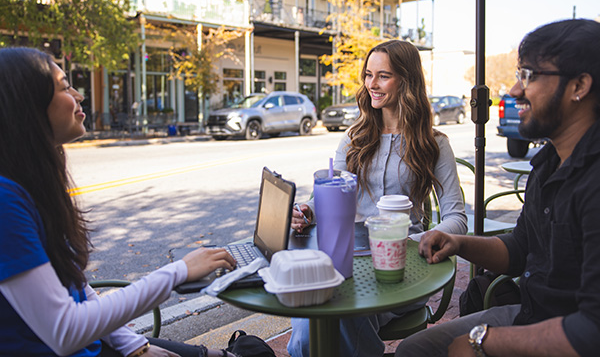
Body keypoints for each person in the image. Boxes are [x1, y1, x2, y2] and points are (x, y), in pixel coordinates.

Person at [0, 47, 239, 357]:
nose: (78, 96)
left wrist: (135, 346)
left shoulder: (33, 180)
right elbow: (64, 331)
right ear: (27, 105)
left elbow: (76, 284)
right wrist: (178, 272)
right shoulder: (5, 201)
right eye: (62, 86)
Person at [396, 18, 600, 357]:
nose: (515, 90)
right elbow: (520, 250)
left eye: (529, 76)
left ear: (579, 85)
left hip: (571, 333)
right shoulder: (548, 163)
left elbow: (591, 331)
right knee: (414, 349)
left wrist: (483, 342)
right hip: (530, 315)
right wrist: (459, 242)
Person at [288, 40, 468, 357]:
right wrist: (307, 210)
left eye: (383, 75)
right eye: (369, 75)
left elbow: (457, 217)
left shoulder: (434, 143)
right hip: (350, 255)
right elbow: (331, 197)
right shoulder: (354, 137)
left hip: (402, 264)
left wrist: (420, 240)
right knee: (317, 304)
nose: (372, 84)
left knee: (333, 308)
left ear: (407, 80)